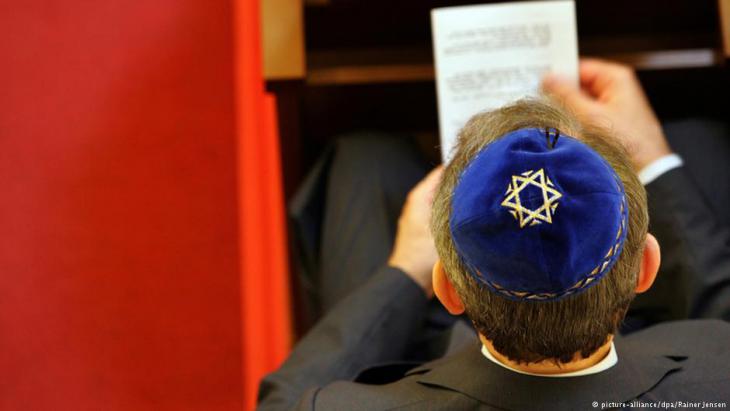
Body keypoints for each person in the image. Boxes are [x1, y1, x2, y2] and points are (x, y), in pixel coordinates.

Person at [257, 59, 730, 410]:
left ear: (446, 288)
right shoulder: (719, 363)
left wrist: (403, 273)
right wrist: (656, 161)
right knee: (699, 140)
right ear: (647, 266)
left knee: (363, 160)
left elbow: (286, 400)